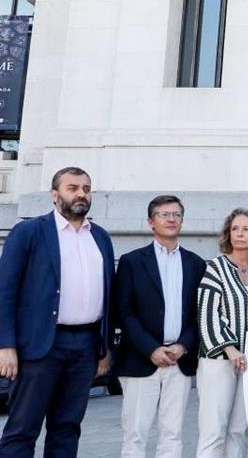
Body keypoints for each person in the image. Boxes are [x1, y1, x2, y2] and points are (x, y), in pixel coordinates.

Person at [0, 167, 115, 458]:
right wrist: (5, 345)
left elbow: (108, 294)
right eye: (73, 188)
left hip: (85, 347)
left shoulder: (100, 237)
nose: (81, 194)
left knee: (67, 428)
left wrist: (104, 347)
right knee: (22, 429)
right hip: (39, 347)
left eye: (86, 189)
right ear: (55, 195)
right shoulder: (29, 232)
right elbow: (5, 292)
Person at [113, 195, 206, 458]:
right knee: (135, 433)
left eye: (177, 214)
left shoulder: (196, 263)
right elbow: (123, 311)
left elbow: (200, 313)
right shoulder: (132, 261)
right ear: (150, 221)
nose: (171, 219)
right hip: (141, 358)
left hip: (180, 360)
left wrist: (183, 345)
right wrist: (151, 348)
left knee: (172, 433)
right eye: (164, 214)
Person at [196, 208, 248, 458]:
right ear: (228, 234)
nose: (240, 234)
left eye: (246, 229)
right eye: (235, 229)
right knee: (213, 430)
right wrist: (230, 348)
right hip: (218, 359)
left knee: (240, 430)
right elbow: (207, 314)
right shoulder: (215, 268)